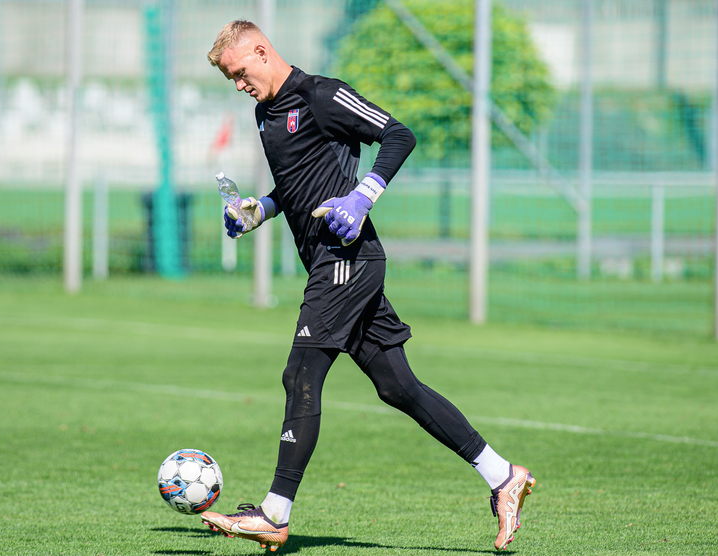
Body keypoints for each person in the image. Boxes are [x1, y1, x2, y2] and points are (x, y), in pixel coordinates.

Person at [201, 20, 535, 552]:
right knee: (397, 386)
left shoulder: (322, 95)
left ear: (262, 51)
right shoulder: (265, 113)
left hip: (347, 259)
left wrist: (363, 196)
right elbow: (298, 181)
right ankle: (503, 475)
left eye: (240, 73)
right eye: (230, 80)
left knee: (300, 372)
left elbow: (399, 134)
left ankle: (274, 512)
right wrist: (258, 210)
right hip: (327, 262)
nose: (239, 85)